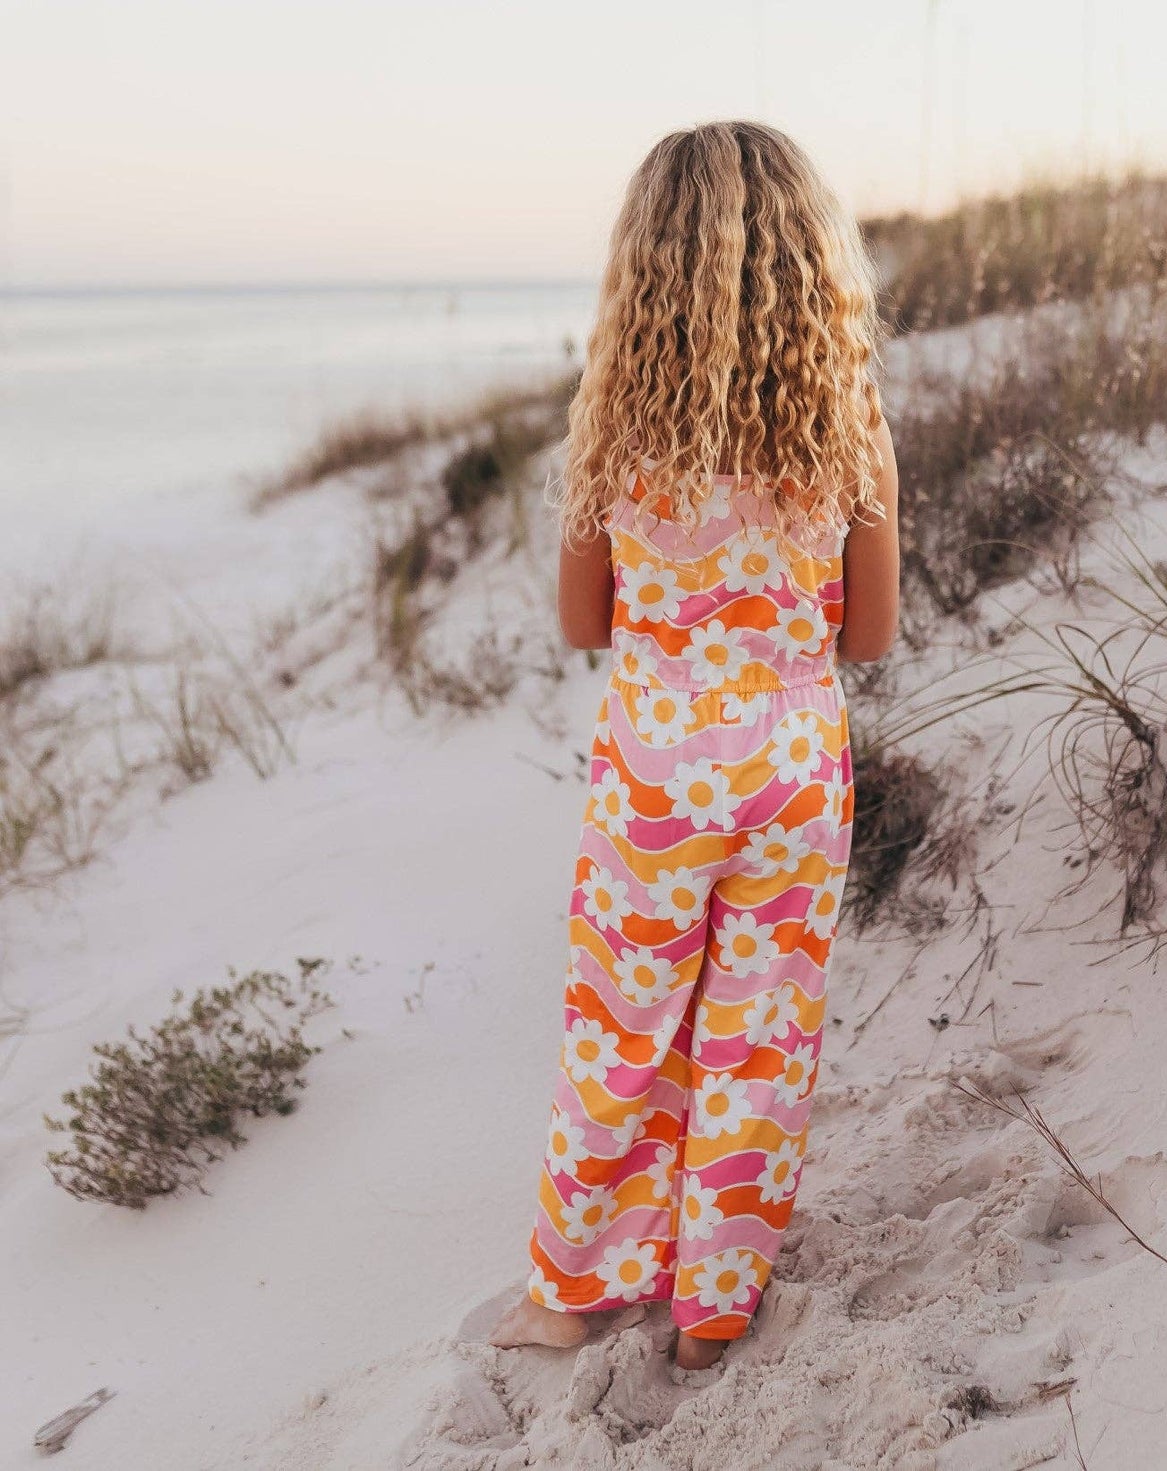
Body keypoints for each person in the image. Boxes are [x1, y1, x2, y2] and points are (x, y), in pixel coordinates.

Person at [490, 119, 899, 1373]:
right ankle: (711, 1314)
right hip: (790, 765)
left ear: (641, 269)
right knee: (758, 1033)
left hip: (657, 771)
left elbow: (578, 624)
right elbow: (872, 634)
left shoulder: (616, 430)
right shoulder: (843, 428)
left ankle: (569, 1292)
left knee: (624, 1023)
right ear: (806, 262)